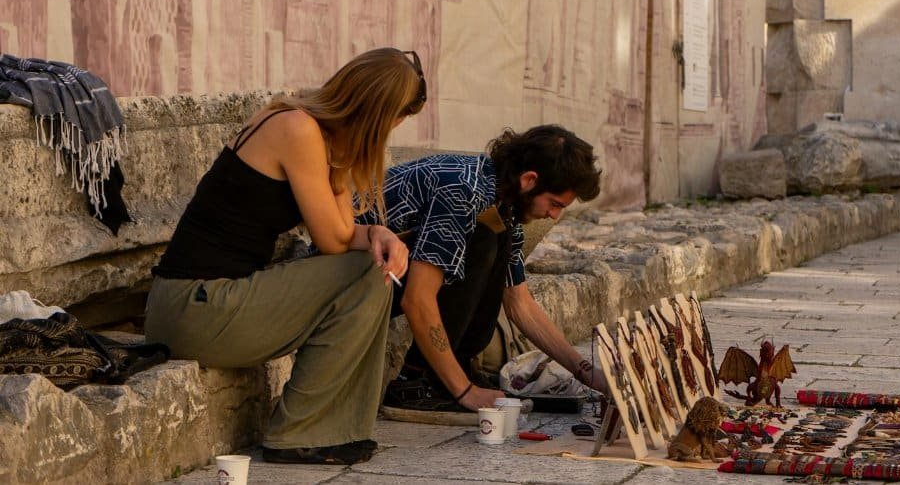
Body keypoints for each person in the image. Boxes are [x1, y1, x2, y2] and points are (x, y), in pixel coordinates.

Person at [144, 48, 425, 465]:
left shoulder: (311, 127)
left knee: (372, 264)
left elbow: (346, 231)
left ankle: (327, 427)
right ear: (381, 114)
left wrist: (380, 232)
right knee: (369, 272)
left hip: (203, 303)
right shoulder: (298, 129)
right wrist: (372, 236)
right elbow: (334, 243)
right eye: (395, 121)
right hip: (197, 305)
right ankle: (301, 432)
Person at [365, 124, 610, 412]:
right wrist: (465, 392)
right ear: (529, 180)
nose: (554, 215)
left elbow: (519, 303)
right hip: (357, 279)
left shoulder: (503, 206)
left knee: (495, 236)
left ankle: (456, 368)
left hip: (391, 276)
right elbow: (417, 299)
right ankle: (416, 380)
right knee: (482, 239)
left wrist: (586, 372)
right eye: (554, 204)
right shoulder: (463, 191)